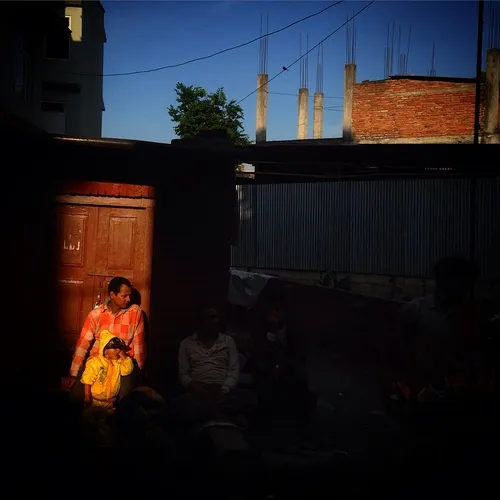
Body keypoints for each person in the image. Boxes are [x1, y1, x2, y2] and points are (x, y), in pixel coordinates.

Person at [396, 257, 482, 403]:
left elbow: (475, 354)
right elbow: (400, 351)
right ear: (443, 280)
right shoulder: (415, 311)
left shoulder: (471, 314)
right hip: (421, 392)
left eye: (470, 283)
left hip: (459, 395)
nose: (467, 288)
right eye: (463, 282)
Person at [61, 276, 146, 403]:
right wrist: (74, 373)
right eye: (124, 296)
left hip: (121, 364)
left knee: (125, 400)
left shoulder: (135, 312)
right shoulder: (96, 315)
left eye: (129, 295)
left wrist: (138, 372)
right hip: (97, 363)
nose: (128, 299)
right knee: (77, 397)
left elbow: (139, 345)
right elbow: (82, 345)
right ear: (112, 295)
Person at [174, 304, 254, 428]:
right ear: (200, 321)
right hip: (198, 391)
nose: (215, 321)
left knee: (250, 398)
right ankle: (224, 416)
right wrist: (197, 388)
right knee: (181, 406)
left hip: (222, 391)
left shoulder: (228, 342)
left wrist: (224, 389)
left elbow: (233, 371)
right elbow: (183, 374)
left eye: (216, 317)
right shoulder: (187, 343)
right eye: (210, 318)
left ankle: (217, 413)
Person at [251, 298, 315, 424]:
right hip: (267, 364)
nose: (275, 314)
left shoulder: (294, 328)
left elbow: (300, 354)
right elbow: (260, 352)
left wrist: (280, 365)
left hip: (288, 365)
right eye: (271, 310)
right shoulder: (261, 327)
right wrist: (272, 331)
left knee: (298, 375)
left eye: (278, 310)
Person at [80, 330, 133, 446]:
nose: (118, 351)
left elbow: (127, 370)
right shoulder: (95, 363)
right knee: (89, 427)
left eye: (119, 348)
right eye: (114, 349)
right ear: (105, 350)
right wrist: (87, 397)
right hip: (94, 402)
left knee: (105, 430)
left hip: (109, 404)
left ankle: (105, 449)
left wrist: (124, 357)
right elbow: (87, 380)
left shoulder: (118, 363)